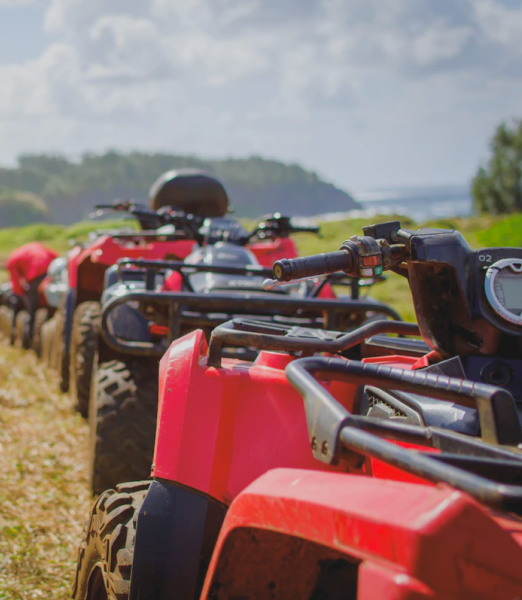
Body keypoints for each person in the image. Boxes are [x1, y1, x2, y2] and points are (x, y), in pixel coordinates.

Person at [6, 242, 59, 339]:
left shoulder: (14, 258)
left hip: (36, 276)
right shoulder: (38, 247)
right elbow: (56, 256)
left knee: (32, 308)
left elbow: (15, 282)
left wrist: (22, 294)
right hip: (50, 274)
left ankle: (30, 334)